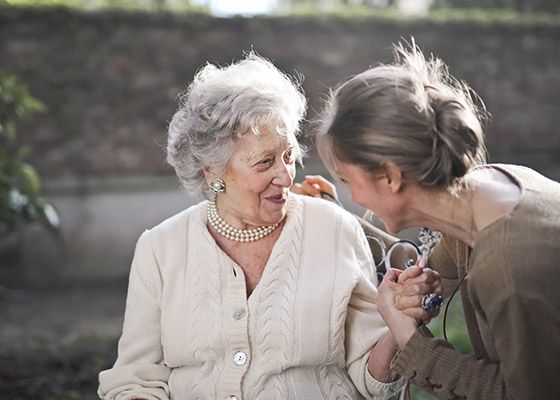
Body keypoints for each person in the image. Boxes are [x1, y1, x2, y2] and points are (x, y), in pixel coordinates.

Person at [97, 53, 443, 400]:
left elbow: (372, 381)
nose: (285, 175)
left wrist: (398, 321)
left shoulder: (334, 230)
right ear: (212, 171)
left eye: (289, 156)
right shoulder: (160, 248)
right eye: (264, 162)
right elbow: (136, 378)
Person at [314, 40, 560, 399]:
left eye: (350, 182)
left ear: (391, 176)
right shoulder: (491, 187)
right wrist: (414, 289)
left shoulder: (509, 270)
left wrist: (411, 340)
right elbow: (433, 267)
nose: (356, 199)